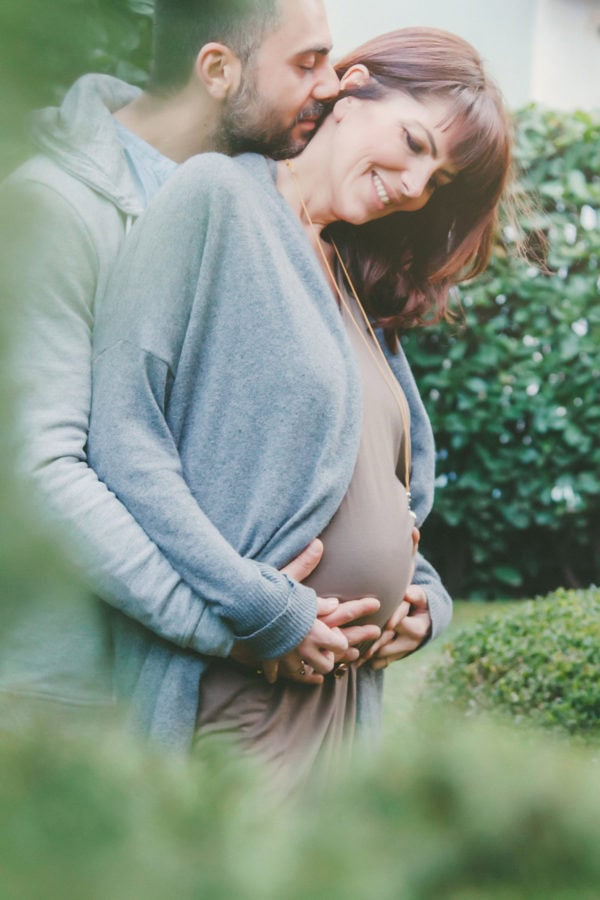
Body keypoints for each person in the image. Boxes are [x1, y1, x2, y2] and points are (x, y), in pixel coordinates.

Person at [87, 27, 511, 785]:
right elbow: (124, 439)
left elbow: (372, 487)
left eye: (439, 180)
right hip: (244, 695)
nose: (415, 188)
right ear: (352, 87)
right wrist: (264, 606)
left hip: (347, 705)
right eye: (414, 143)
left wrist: (424, 603)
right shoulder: (216, 198)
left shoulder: (347, 270)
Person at [0, 1, 443, 725]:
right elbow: (45, 470)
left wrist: (421, 588)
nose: (332, 87)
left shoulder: (272, 215)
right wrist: (234, 629)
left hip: (211, 701)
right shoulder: (56, 209)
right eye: (306, 64)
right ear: (217, 70)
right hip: (71, 696)